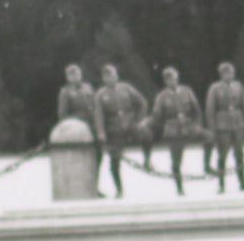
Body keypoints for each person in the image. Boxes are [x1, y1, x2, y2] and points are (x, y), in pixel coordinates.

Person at [95, 64, 149, 198]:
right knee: (114, 162)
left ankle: (147, 160)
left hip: (130, 123)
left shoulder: (126, 88)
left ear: (116, 75)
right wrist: (101, 132)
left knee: (147, 134)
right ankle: (119, 189)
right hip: (114, 129)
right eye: (106, 76)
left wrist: (139, 120)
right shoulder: (101, 95)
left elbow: (142, 103)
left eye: (112, 75)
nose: (110, 78)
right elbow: (99, 115)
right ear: (103, 79)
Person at [147, 67, 204, 196]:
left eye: (172, 77)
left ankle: (208, 166)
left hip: (188, 126)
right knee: (176, 160)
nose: (171, 81)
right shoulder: (162, 96)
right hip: (173, 130)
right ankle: (179, 187)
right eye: (168, 79)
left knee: (209, 139)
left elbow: (196, 110)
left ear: (177, 78)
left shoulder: (186, 92)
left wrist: (197, 125)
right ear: (165, 81)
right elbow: (157, 115)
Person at [205, 61, 244, 194]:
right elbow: (210, 109)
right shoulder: (215, 88)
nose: (229, 76)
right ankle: (221, 184)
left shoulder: (238, 87)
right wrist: (212, 128)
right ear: (221, 75)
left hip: (237, 123)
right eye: (226, 73)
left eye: (231, 73)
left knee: (239, 154)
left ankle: (242, 182)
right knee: (222, 154)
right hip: (223, 124)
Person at [57, 64, 105, 184]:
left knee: (97, 157)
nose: (75, 77)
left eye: (77, 74)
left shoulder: (88, 88)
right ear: (68, 77)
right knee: (81, 159)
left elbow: (95, 107)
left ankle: (94, 185)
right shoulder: (65, 92)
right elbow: (63, 114)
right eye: (72, 75)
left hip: (92, 127)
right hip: (78, 130)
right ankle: (82, 185)